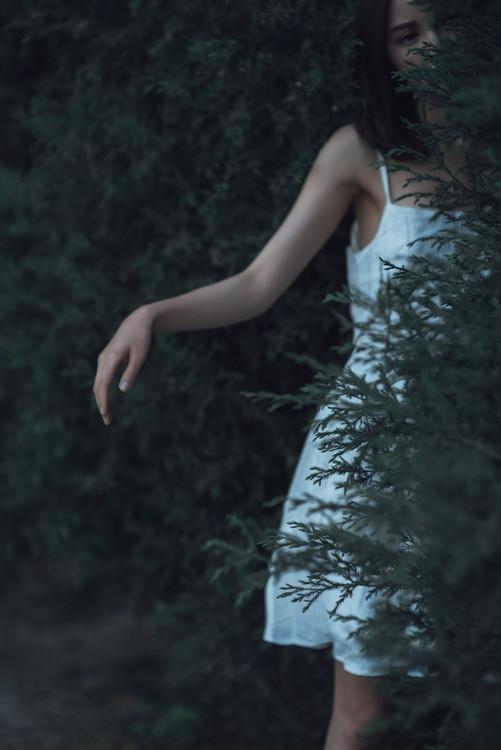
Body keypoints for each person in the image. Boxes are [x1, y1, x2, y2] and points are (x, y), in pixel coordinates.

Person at [93, 1, 466, 748]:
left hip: (480, 435)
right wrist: (152, 314)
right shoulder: (361, 153)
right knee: (365, 714)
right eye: (407, 35)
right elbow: (258, 283)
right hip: (385, 453)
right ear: (383, 55)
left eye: (444, 20)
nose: (434, 44)